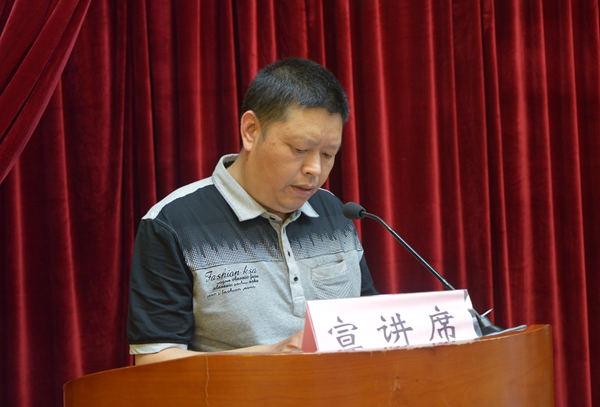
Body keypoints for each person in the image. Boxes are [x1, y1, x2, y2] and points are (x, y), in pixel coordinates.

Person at [127, 57, 377, 365]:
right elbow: (153, 363)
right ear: (250, 130)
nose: (315, 169)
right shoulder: (173, 224)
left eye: (328, 154)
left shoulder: (335, 212)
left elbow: (369, 323)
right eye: (300, 149)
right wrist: (272, 356)